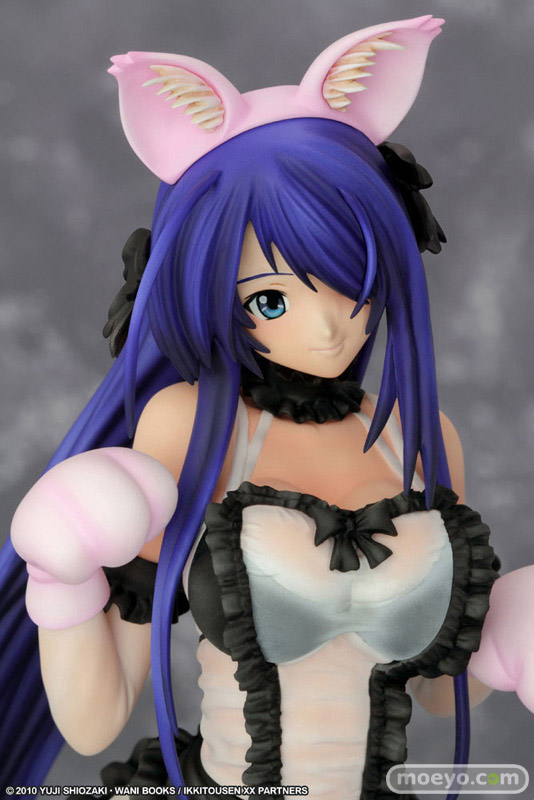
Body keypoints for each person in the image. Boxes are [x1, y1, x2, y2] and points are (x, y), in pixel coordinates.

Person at [1, 14, 532, 800]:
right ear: (214, 292)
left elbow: (436, 691)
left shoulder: (420, 437)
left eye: (353, 282)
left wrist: (504, 637)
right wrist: (61, 576)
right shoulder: (191, 428)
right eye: (272, 299)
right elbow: (95, 720)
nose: (328, 329)